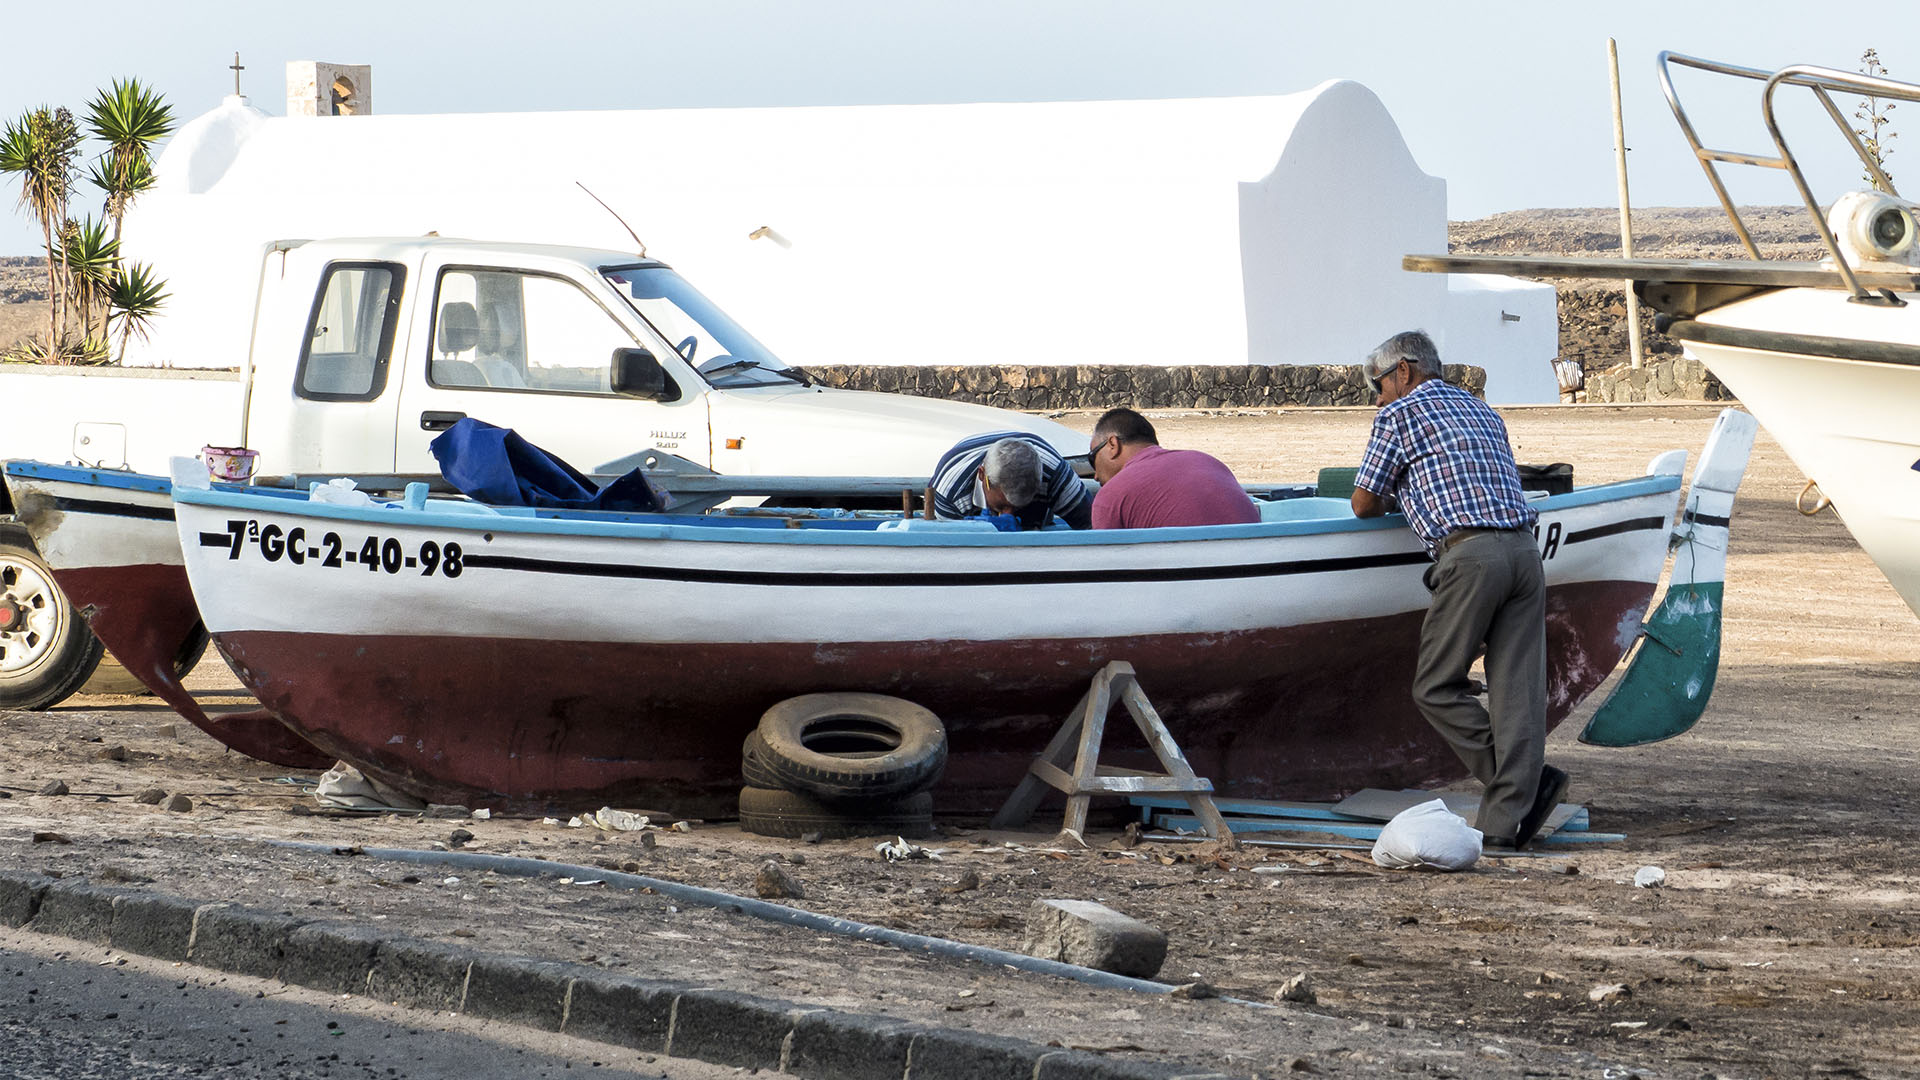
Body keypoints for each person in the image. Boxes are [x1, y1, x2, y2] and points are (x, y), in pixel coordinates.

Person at [1350, 330, 1568, 851]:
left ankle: (1526, 785)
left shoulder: (1399, 415)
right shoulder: (1481, 409)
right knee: (1517, 693)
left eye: (1377, 384)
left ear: (1402, 370)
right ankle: (1501, 825)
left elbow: (1363, 503)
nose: (1376, 397)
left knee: (1435, 686)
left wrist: (1396, 494)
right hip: (1523, 552)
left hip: (1470, 557)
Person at [1087, 407, 1259, 529]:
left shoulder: (1112, 494)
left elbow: (1107, 568)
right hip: (1257, 569)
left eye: (1092, 457)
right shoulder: (1209, 461)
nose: (1095, 475)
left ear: (1112, 444)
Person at [927, 431, 1092, 530]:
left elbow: (1094, 527)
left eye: (1019, 507)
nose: (1008, 515)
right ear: (982, 476)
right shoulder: (948, 490)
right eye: (1001, 505)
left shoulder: (1054, 473)